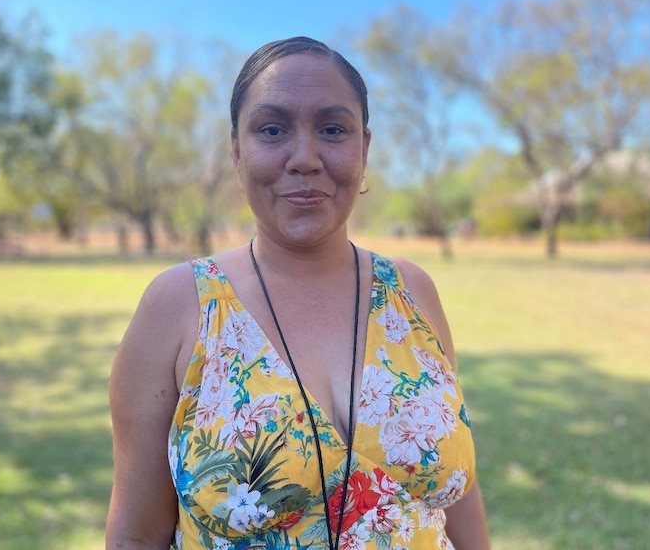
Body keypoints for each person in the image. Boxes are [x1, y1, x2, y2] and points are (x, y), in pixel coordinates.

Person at [106, 36, 490, 550]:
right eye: (272, 130)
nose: (305, 158)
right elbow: (134, 536)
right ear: (237, 151)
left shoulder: (411, 292)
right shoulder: (179, 305)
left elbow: (459, 500)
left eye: (333, 129)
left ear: (364, 149)